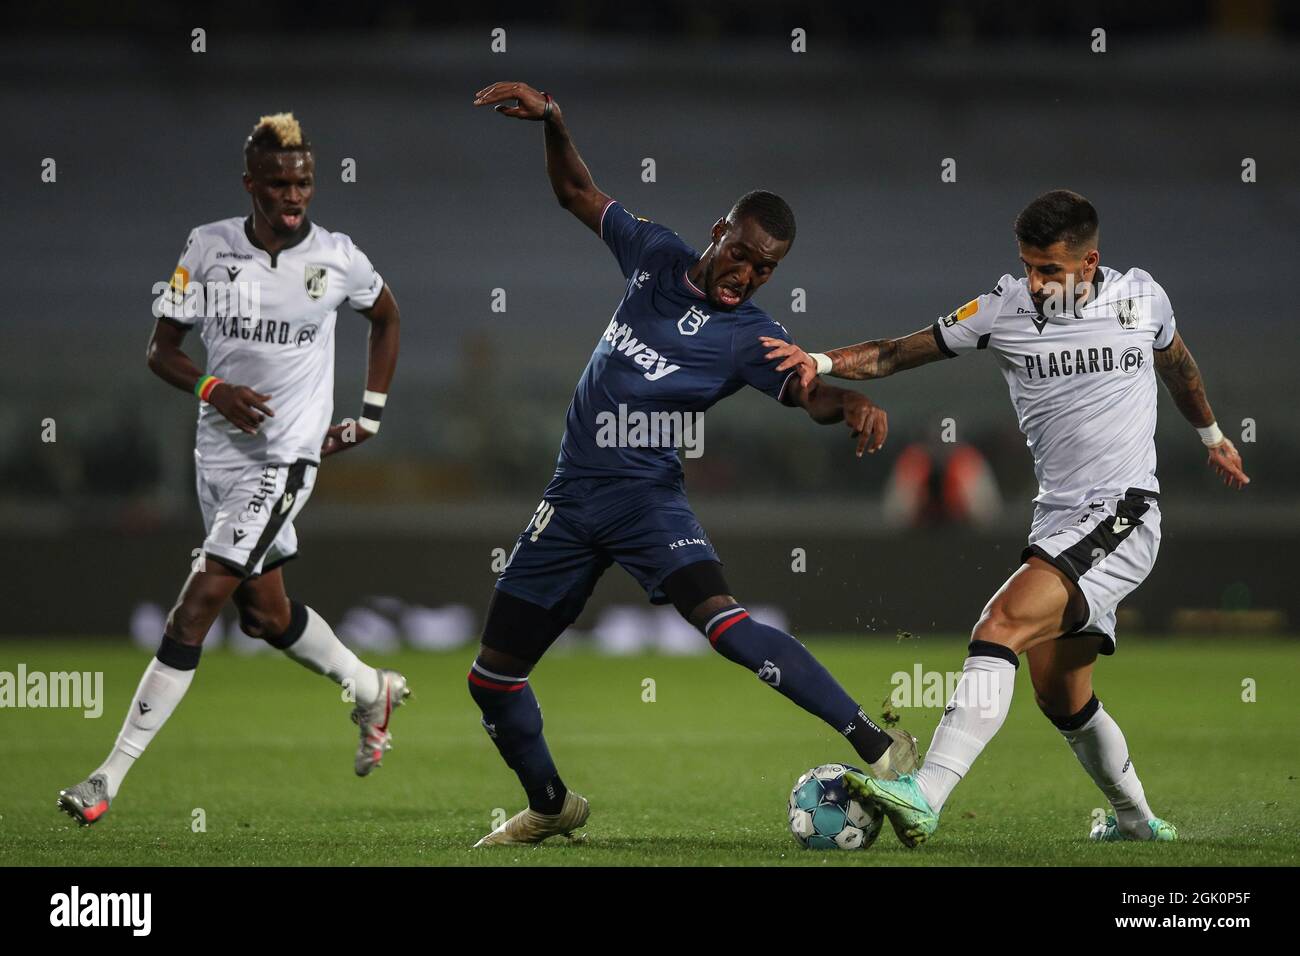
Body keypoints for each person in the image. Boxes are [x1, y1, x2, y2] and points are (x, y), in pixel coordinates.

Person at [465, 81, 917, 847]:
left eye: (766, 268)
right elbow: (577, 190)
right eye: (742, 254)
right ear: (718, 233)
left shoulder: (749, 335)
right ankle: (551, 805)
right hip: (572, 499)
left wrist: (851, 405)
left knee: (727, 625)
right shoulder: (654, 252)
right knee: (491, 680)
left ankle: (879, 745)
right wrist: (554, 121)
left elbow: (806, 391)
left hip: (647, 500)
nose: (748, 274)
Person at [763, 188, 1250, 846]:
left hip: (1124, 512)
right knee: (1062, 697)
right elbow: (895, 353)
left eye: (1050, 268)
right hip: (1059, 522)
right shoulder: (1002, 310)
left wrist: (1212, 434)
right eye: (1027, 265)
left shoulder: (1142, 299)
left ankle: (925, 792)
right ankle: (1136, 821)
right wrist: (819, 362)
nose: (1036, 281)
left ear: (1089, 262)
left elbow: (1179, 368)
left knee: (999, 624)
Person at [58, 113, 409, 826]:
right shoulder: (208, 246)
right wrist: (212, 389)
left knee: (197, 605)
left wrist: (369, 415)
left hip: (283, 462)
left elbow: (387, 318)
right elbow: (160, 350)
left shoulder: (339, 258)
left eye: (304, 183)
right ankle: (371, 687)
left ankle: (106, 778)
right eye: (280, 184)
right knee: (263, 614)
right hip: (215, 455)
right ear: (251, 184)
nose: (294, 196)